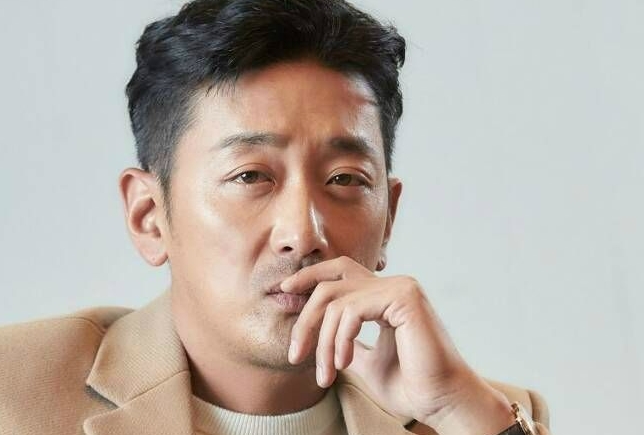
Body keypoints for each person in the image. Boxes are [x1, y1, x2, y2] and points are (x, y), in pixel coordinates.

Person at [0, 1, 550, 434]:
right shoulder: (14, 391)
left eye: (345, 180)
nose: (303, 234)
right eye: (250, 177)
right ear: (149, 215)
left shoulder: (480, 415)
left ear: (388, 219)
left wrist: (460, 411)